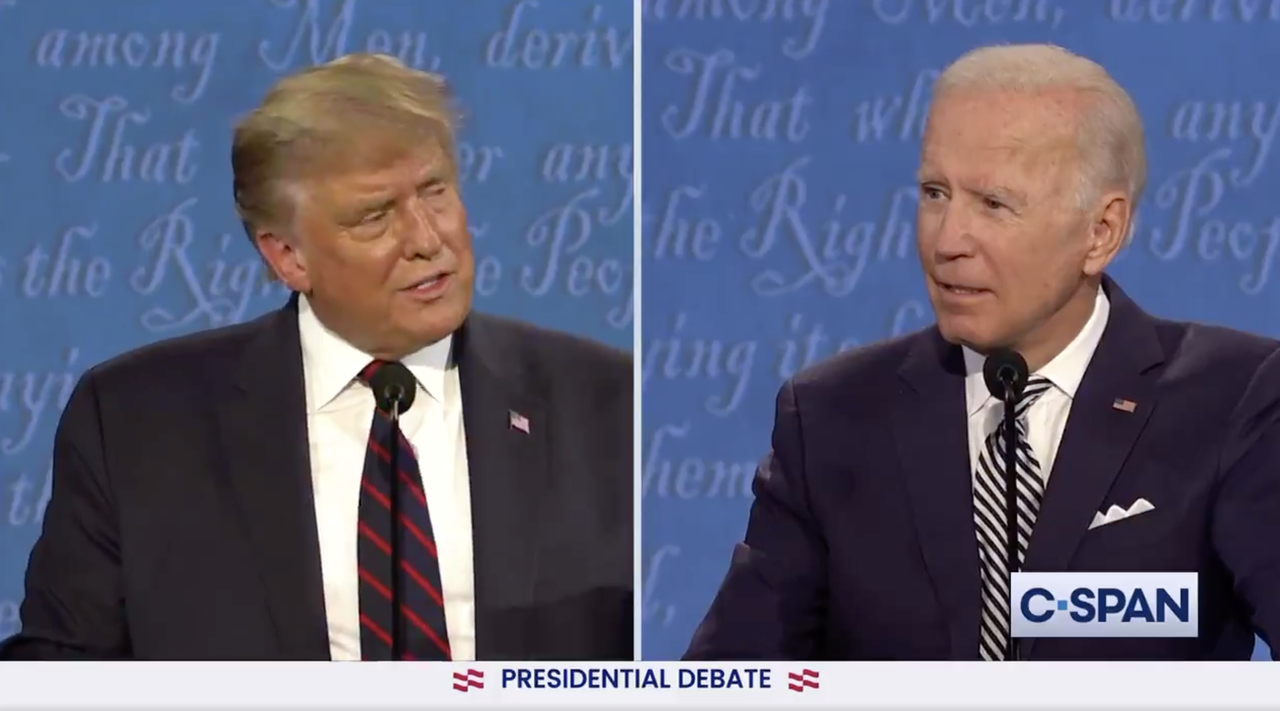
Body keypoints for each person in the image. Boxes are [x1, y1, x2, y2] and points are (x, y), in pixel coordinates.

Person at [0, 54, 633, 661]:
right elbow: (64, 670)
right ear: (288, 257)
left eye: (434, 191)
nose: (427, 238)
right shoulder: (137, 422)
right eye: (375, 216)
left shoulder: (606, 401)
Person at [683, 44, 1280, 661]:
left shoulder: (1232, 400)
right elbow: (732, 678)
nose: (947, 240)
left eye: (993, 204)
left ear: (1101, 232)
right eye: (935, 193)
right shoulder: (831, 418)